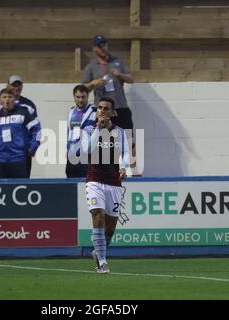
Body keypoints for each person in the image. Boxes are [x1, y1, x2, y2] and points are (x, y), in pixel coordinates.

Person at [82, 97, 130, 274]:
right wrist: (98, 128)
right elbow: (87, 150)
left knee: (110, 227)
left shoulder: (120, 132)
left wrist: (124, 166)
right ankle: (102, 262)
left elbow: (125, 152)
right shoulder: (88, 130)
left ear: (113, 112)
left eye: (106, 108)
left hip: (114, 183)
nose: (102, 110)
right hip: (94, 180)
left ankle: (99, 251)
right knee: (98, 215)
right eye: (100, 108)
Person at [0, 88, 41, 179]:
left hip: (17, 160)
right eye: (4, 97)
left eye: (10, 97)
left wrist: (34, 145)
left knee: (20, 191)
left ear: (15, 99)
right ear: (0, 100)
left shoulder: (23, 113)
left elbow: (37, 129)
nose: (7, 100)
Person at [82, 35, 134, 132]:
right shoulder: (91, 66)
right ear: (94, 49)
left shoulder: (119, 61)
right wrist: (94, 83)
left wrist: (120, 75)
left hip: (120, 107)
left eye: (104, 45)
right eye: (99, 46)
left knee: (128, 141)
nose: (103, 48)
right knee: (104, 142)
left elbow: (131, 79)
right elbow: (83, 89)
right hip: (102, 110)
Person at [66, 84, 96, 178]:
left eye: (83, 97)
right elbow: (70, 133)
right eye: (78, 97)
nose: (80, 100)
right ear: (74, 96)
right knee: (72, 188)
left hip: (87, 158)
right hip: (72, 158)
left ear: (87, 96)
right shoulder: (72, 112)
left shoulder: (95, 111)